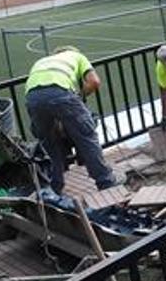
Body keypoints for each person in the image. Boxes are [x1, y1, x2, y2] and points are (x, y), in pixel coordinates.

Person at [25, 46, 120, 193]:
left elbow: (45, 96)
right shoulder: (77, 56)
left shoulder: (42, 61)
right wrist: (79, 97)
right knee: (87, 135)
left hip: (32, 98)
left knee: (50, 142)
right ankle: (106, 182)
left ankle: (54, 189)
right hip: (60, 92)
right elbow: (94, 82)